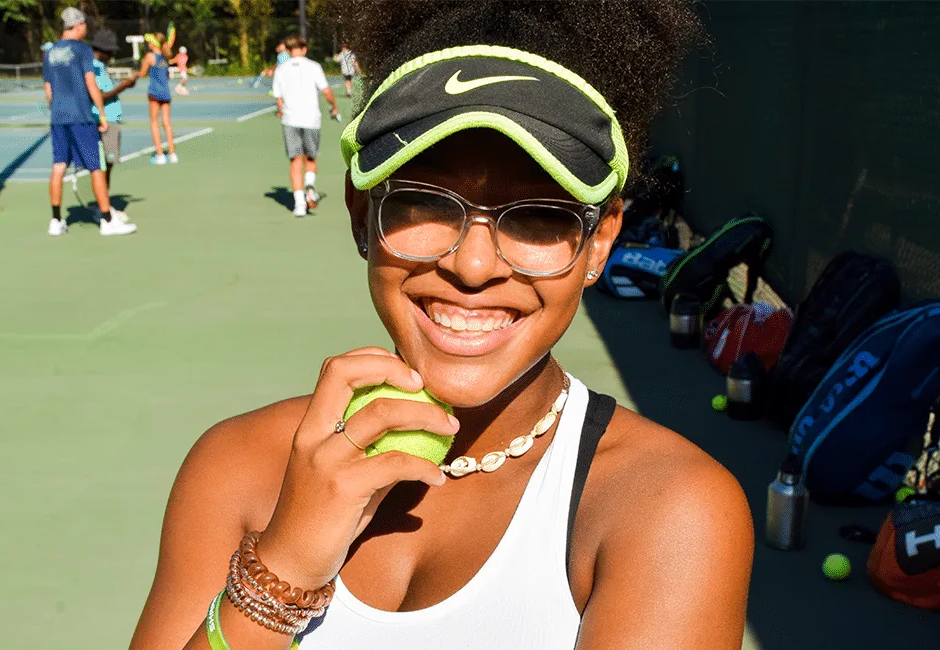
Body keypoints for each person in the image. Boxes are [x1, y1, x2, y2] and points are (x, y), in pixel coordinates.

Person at [129, 2, 751, 649]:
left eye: (539, 215)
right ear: (360, 211)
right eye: (424, 200)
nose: (474, 264)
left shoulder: (670, 510)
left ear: (600, 241)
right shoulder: (237, 466)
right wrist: (281, 569)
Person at [43, 8, 135, 236]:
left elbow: (48, 89)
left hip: (58, 118)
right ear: (78, 25)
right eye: (84, 24)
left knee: (58, 167)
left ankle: (55, 221)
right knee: (96, 167)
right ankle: (106, 220)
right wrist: (102, 117)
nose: (86, 28)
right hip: (81, 117)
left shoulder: (49, 52)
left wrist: (57, 110)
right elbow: (91, 83)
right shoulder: (83, 50)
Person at [271, 35, 339, 218]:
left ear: (289, 50)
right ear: (304, 48)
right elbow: (326, 91)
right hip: (311, 120)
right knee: (310, 158)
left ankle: (299, 203)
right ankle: (309, 184)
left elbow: (278, 97)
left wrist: (282, 111)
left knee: (295, 160)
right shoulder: (314, 67)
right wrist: (334, 107)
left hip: (290, 120)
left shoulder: (281, 69)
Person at [89, 28, 136, 222]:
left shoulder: (99, 65)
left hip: (110, 119)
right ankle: (103, 208)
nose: (112, 56)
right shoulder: (92, 67)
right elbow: (98, 96)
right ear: (101, 50)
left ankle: (103, 204)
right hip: (104, 121)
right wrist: (123, 86)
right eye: (110, 51)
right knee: (103, 166)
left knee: (106, 166)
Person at [138, 32, 178, 165]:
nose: (148, 44)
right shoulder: (166, 56)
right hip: (166, 93)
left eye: (150, 41)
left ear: (153, 43)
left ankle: (160, 155)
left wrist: (136, 71)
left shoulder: (149, 56)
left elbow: (142, 73)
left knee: (154, 123)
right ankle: (172, 154)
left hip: (154, 93)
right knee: (167, 123)